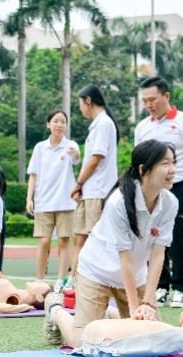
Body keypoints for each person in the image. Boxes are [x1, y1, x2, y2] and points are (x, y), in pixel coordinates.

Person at [43, 139, 179, 348]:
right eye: (165, 164)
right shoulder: (119, 202)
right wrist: (135, 310)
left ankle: (106, 314)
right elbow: (124, 260)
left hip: (136, 277)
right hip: (97, 272)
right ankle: (55, 310)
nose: (173, 170)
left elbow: (158, 254)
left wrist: (148, 302)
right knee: (84, 343)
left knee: (153, 335)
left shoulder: (170, 202)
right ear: (143, 170)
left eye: (173, 162)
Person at [135, 76, 183, 309]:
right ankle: (160, 286)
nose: (149, 105)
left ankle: (181, 288)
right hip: (151, 190)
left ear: (166, 96)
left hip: (180, 187)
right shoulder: (142, 127)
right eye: (145, 101)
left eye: (152, 99)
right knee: (153, 237)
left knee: (180, 238)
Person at [46, 299, 183, 357]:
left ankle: (55, 309)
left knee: (75, 336)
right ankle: (107, 311)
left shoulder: (181, 340)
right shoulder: (174, 335)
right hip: (105, 337)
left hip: (103, 341)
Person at [67, 85, 120, 291]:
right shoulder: (97, 125)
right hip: (90, 192)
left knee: (96, 241)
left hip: (99, 192)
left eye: (80, 104)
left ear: (88, 101)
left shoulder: (104, 124)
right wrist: (82, 186)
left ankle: (96, 283)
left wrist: (78, 183)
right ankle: (74, 279)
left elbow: (95, 159)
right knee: (80, 238)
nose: (80, 109)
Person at [27, 110, 80, 292]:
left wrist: (76, 154)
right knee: (43, 241)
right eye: (56, 121)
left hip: (66, 202)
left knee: (64, 241)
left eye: (63, 122)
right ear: (48, 124)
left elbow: (76, 158)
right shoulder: (40, 148)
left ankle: (60, 280)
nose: (59, 125)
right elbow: (33, 175)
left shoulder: (70, 145)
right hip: (43, 202)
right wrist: (29, 198)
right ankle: (39, 280)